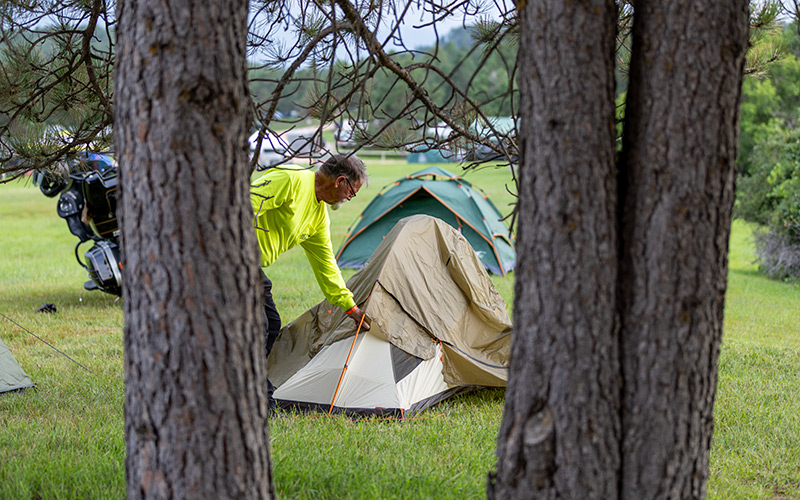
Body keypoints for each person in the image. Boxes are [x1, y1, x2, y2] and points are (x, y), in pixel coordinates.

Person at [250, 154, 370, 409]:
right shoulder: (291, 179)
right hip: (229, 258)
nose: (350, 199)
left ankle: (253, 392)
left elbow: (325, 264)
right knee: (259, 326)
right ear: (340, 181)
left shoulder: (318, 216)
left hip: (250, 266)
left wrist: (351, 308)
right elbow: (241, 204)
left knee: (271, 324)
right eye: (352, 192)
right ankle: (257, 399)